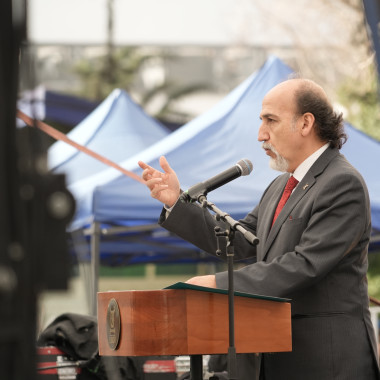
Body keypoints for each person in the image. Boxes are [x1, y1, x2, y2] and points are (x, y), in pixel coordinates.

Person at [138, 78, 380, 380]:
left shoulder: (342, 183)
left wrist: (217, 284)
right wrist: (176, 201)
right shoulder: (281, 185)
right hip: (277, 355)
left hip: (327, 361)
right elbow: (239, 241)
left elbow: (304, 264)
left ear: (306, 123)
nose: (260, 134)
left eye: (271, 121)